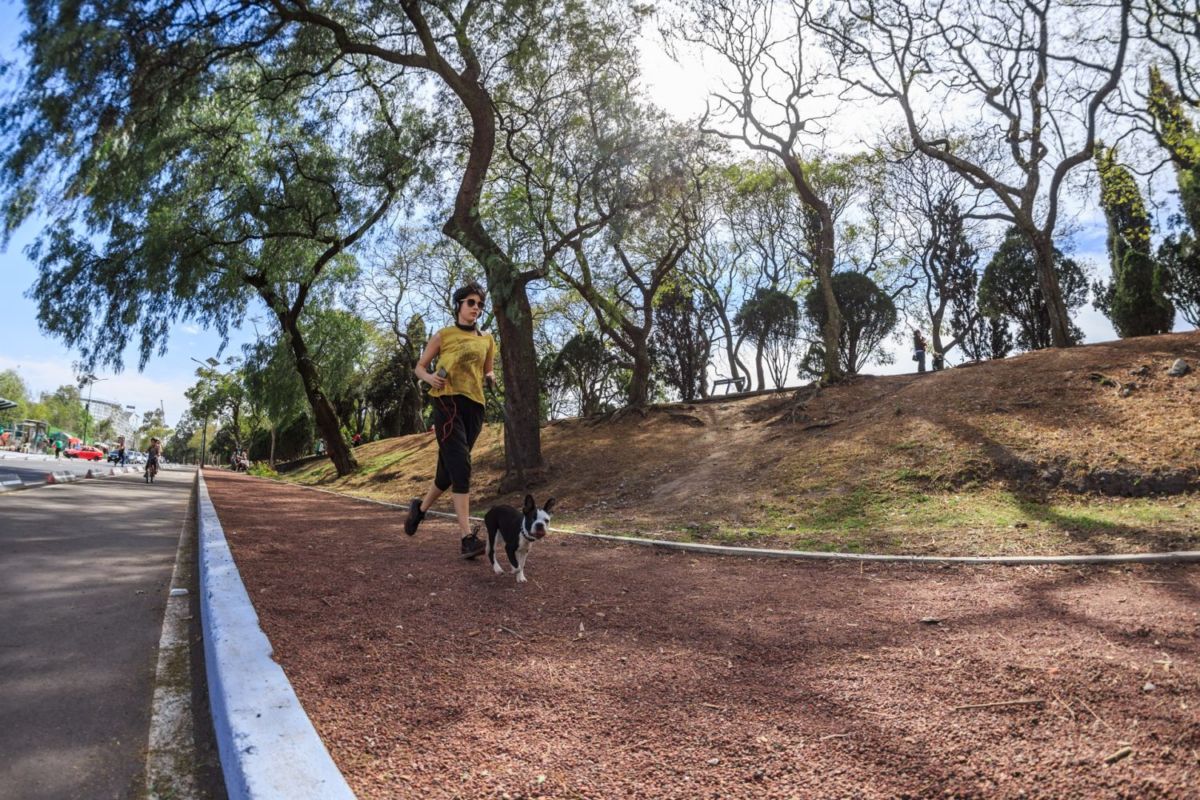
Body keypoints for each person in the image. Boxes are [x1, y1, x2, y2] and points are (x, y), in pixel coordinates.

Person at [404, 282, 496, 559]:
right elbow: (419, 367)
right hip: (447, 403)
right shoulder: (444, 335)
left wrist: (490, 377)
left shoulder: (488, 339)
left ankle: (419, 510)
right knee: (461, 465)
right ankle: (467, 538)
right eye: (471, 302)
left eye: (480, 304)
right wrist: (430, 377)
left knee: (448, 472)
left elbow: (488, 369)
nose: (476, 308)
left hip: (475, 407)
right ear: (459, 305)